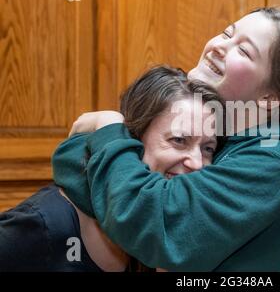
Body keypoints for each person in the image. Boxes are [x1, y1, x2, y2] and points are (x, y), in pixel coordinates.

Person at [53, 7, 280, 271]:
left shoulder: (278, 156)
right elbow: (72, 160)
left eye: (243, 50)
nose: (218, 45)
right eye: (227, 33)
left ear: (269, 98)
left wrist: (108, 126)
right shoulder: (222, 137)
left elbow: (157, 223)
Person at [0, 66, 223, 271]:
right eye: (179, 140)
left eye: (208, 148)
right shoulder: (40, 225)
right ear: (132, 139)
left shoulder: (161, 228)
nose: (197, 163)